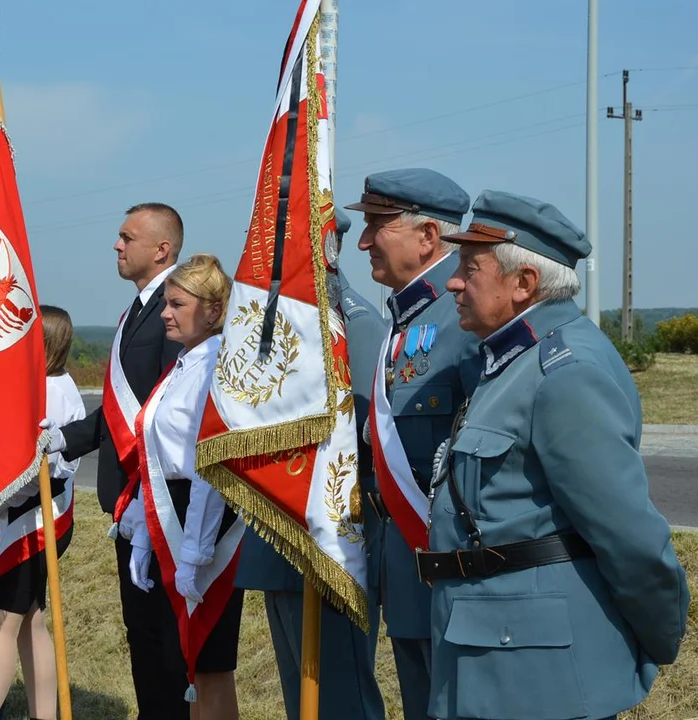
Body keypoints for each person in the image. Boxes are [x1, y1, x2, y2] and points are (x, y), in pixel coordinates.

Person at [417, 190, 690, 720]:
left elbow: (629, 537)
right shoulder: (509, 361)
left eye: (470, 269)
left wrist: (658, 639)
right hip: (493, 655)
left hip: (538, 678)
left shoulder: (566, 374)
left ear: (524, 284)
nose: (451, 282)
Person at [234, 209, 387, 719]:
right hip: (280, 540)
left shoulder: (354, 324)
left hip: (328, 546)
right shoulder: (272, 322)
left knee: (341, 700)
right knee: (301, 699)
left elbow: (361, 442)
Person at [344, 169, 480, 720]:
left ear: (427, 237)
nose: (363, 240)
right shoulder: (405, 317)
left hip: (453, 571)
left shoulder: (464, 318)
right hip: (405, 563)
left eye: (377, 225)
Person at [46, 203, 188, 718]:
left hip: (163, 503)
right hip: (129, 502)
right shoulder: (135, 311)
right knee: (143, 632)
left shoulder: (180, 304)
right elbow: (116, 410)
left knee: (169, 640)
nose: (117, 245)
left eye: (127, 237)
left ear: (162, 249)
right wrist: (62, 439)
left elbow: (167, 407)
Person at [122, 254, 244, 719]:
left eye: (177, 304)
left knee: (208, 663)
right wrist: (139, 519)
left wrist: (195, 551)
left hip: (203, 517)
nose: (166, 313)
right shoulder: (184, 362)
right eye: (166, 303)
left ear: (213, 311)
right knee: (190, 664)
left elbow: (209, 469)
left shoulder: (217, 366)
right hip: (170, 511)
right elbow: (152, 448)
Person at [0, 305, 86, 720]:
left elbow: (22, 471)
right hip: (44, 514)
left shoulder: (45, 392)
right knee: (30, 623)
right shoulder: (64, 384)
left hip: (32, 519)